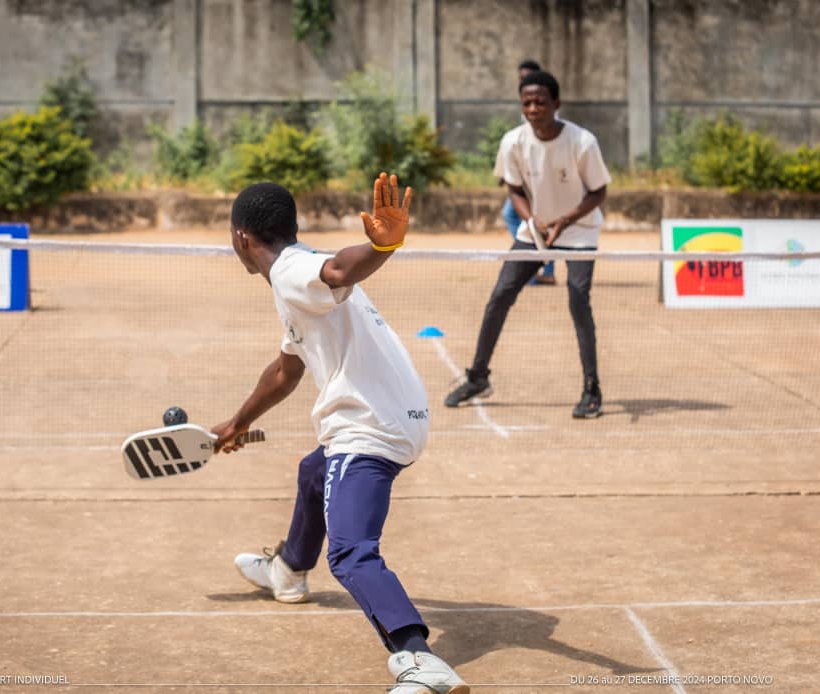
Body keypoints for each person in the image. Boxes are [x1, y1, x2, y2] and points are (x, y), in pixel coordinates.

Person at [213, 173, 469, 694]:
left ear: (240, 236)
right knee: (314, 473)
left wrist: (385, 243)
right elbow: (286, 369)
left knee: (352, 552)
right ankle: (287, 570)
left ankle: (418, 659)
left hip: (369, 428)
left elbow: (338, 268)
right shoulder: (294, 281)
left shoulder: (295, 271)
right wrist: (239, 422)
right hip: (400, 418)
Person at [445, 70, 610, 418]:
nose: (533, 108)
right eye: (527, 102)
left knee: (579, 299)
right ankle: (478, 377)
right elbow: (514, 188)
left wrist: (565, 221)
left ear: (556, 104)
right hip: (534, 231)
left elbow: (599, 191)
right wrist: (531, 220)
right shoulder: (514, 142)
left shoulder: (582, 142)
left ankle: (591, 390)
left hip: (579, 232)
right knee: (501, 295)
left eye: (540, 102)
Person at [500, 59, 556, 286]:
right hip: (525, 179)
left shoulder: (546, 112)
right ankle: (541, 264)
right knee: (518, 217)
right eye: (521, 77)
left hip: (540, 180)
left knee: (523, 218)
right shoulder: (527, 110)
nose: (523, 81)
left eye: (527, 77)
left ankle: (537, 264)